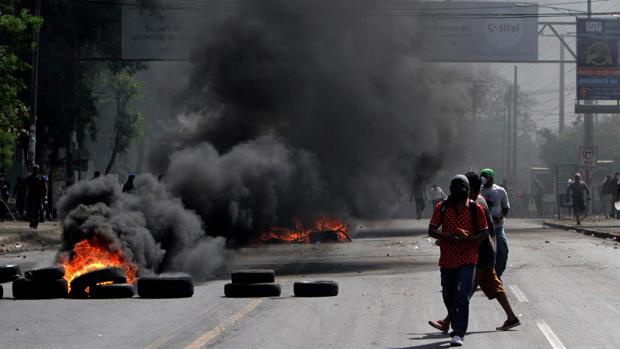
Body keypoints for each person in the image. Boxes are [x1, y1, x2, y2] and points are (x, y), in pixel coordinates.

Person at [428, 172, 521, 335]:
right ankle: (512, 317)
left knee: (464, 291)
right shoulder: (478, 201)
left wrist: (458, 240)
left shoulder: (475, 204)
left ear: (471, 189)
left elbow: (479, 233)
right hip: (488, 251)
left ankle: (448, 322)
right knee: (494, 286)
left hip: (479, 253)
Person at [428, 175, 488, 347]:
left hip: (468, 257)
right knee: (449, 295)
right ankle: (452, 318)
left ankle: (458, 332)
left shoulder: (476, 209)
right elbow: (431, 230)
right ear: (451, 190)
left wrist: (470, 239)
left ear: (468, 190)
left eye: (463, 188)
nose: (460, 192)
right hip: (447, 259)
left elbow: (483, 232)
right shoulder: (442, 208)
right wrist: (448, 236)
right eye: (456, 188)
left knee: (462, 296)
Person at [480, 168, 510, 278]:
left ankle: (496, 276)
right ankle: (479, 277)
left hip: (497, 227)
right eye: (482, 176)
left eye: (486, 176)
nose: (484, 178)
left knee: (502, 252)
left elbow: (506, 207)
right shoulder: (478, 191)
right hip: (482, 228)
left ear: (492, 178)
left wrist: (500, 216)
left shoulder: (500, 191)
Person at [25, 165, 46, 229]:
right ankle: (31, 222)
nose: (35, 170)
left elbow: (44, 187)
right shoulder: (29, 178)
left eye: (36, 169)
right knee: (31, 210)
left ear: (38, 170)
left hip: (38, 197)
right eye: (34, 169)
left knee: (37, 211)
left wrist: (45, 195)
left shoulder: (41, 178)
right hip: (31, 196)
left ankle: (35, 224)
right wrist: (26, 193)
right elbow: (26, 186)